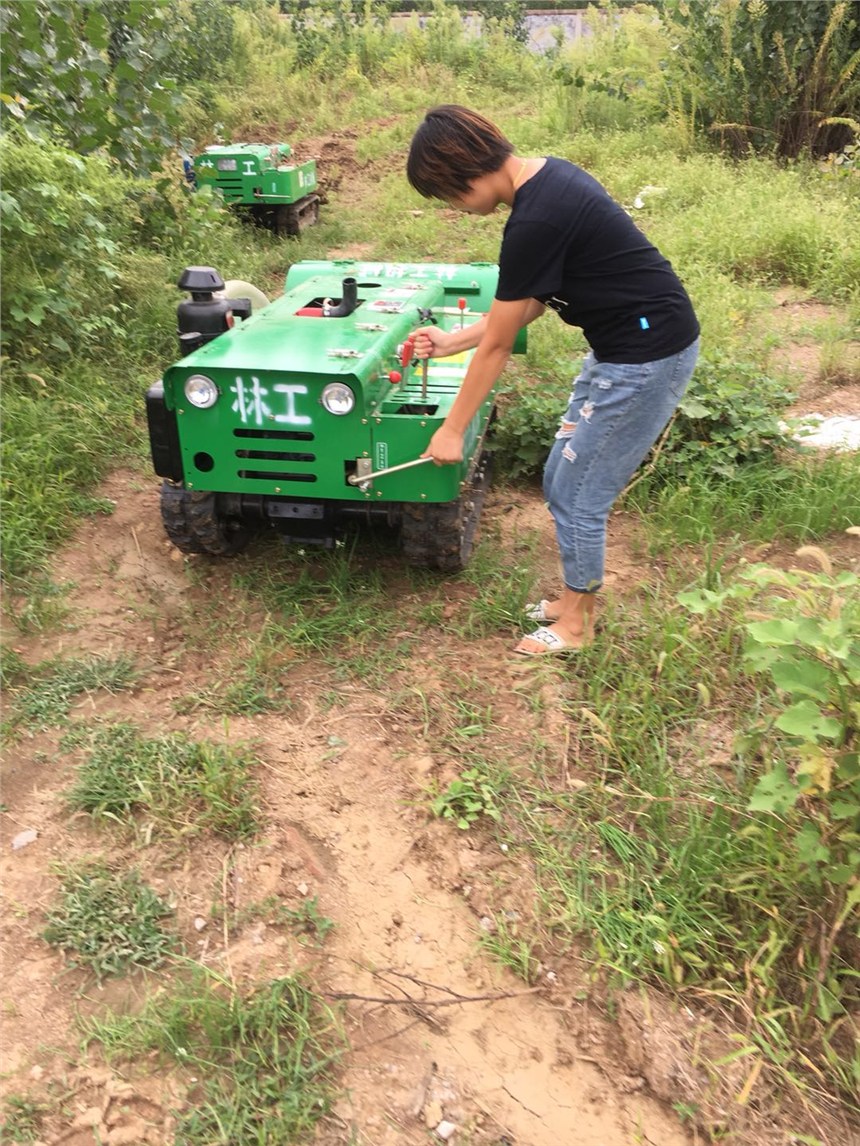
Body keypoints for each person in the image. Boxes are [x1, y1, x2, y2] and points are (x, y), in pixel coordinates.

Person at [406, 105, 700, 657]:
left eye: (447, 196)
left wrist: (452, 429)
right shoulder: (547, 181)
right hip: (619, 350)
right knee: (562, 479)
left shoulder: (535, 220)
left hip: (645, 358)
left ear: (463, 172)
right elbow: (531, 303)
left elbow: (500, 346)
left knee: (579, 493)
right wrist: (451, 340)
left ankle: (577, 627)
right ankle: (572, 603)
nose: (454, 209)